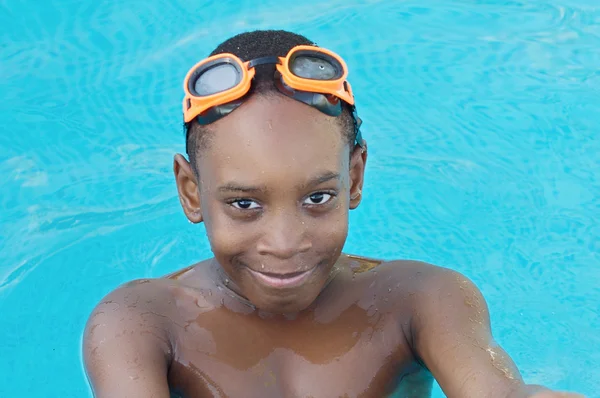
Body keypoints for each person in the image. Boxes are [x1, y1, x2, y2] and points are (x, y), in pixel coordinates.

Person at [82, 30, 584, 398]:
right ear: (191, 192)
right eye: (244, 204)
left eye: (317, 198)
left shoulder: (418, 300)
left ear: (356, 178)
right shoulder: (142, 322)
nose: (284, 242)